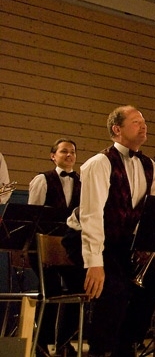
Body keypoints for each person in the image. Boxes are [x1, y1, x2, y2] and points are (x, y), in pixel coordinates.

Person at [80, 105, 155, 357]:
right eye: (136, 122)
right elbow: (91, 215)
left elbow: (148, 213)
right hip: (90, 242)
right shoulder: (99, 163)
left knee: (152, 287)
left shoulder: (150, 166)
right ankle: (99, 351)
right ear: (117, 129)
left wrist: (145, 246)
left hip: (124, 244)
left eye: (144, 121)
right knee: (115, 289)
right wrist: (94, 263)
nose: (143, 125)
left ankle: (125, 348)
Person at [28, 138, 83, 356]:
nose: (69, 155)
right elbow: (33, 216)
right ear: (53, 156)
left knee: (81, 287)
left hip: (69, 248)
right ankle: (41, 344)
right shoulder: (43, 180)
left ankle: (64, 342)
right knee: (50, 290)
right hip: (42, 247)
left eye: (73, 152)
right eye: (64, 151)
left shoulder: (82, 182)